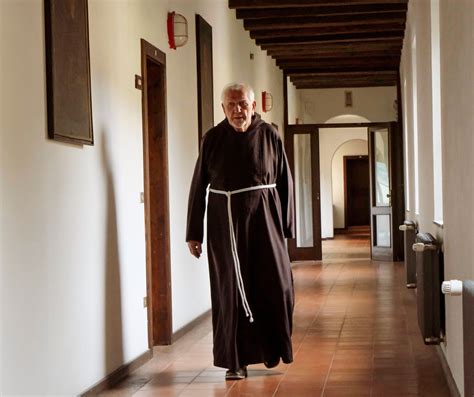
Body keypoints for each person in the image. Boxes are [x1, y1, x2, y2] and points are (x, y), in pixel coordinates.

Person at [186, 83, 295, 380]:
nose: (238, 110)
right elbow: (198, 187)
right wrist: (194, 232)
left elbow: (285, 180)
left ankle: (272, 349)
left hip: (265, 222)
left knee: (277, 285)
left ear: (253, 105)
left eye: (243, 104)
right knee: (230, 292)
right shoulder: (212, 139)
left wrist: (286, 225)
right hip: (226, 226)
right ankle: (236, 361)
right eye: (231, 105)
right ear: (223, 108)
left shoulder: (270, 135)